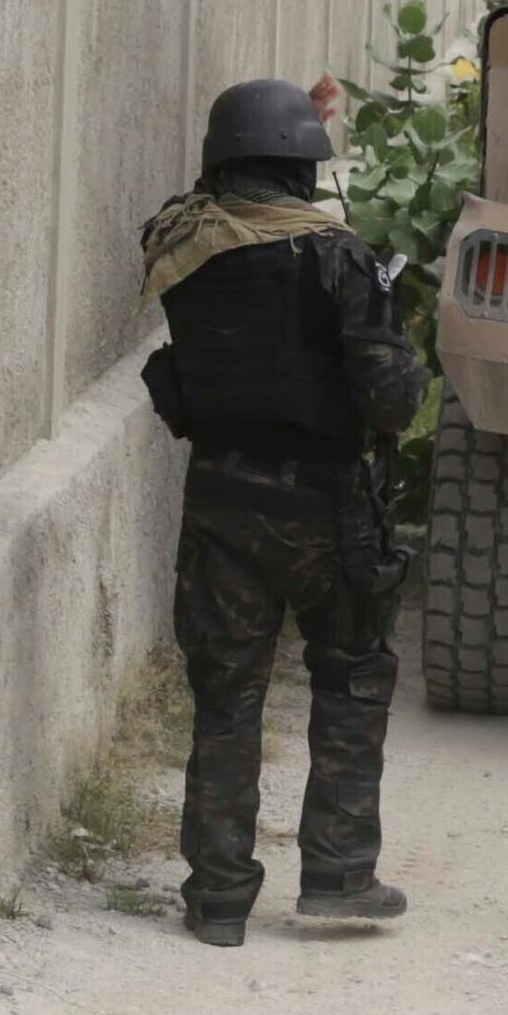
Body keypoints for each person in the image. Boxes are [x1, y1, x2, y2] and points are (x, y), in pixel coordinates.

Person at [141, 78, 426, 950]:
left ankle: (219, 897)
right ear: (305, 169)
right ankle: (339, 877)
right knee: (350, 679)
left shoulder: (184, 247)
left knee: (227, 697)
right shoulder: (340, 258)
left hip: (222, 501)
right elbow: (392, 400)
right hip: (327, 508)